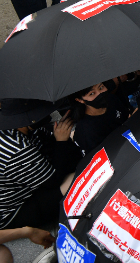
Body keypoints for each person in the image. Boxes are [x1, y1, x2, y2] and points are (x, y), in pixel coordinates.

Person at [0, 99, 80, 232]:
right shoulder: (18, 148)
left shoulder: (18, 126)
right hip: (13, 210)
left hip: (27, 177)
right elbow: (53, 180)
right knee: (78, 177)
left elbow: (45, 137)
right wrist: (61, 141)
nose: (46, 114)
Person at [69, 78, 135, 155]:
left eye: (101, 87)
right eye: (92, 94)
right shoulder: (86, 131)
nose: (100, 94)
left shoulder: (111, 99)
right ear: (80, 100)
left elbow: (126, 116)